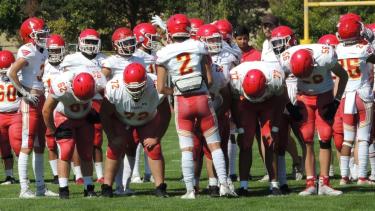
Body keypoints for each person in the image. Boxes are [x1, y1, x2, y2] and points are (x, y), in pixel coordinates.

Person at [156, 14, 237, 199]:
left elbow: (161, 87)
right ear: (187, 29)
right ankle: (223, 184)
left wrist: (176, 91)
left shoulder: (164, 52)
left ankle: (190, 190)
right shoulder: (199, 46)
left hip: (182, 101)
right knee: (215, 144)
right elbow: (209, 80)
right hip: (202, 98)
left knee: (187, 148)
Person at [275, 40, 348, 195]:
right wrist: (289, 105)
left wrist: (336, 101)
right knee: (306, 138)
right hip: (304, 96)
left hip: (324, 94)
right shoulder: (287, 59)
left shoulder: (324, 56)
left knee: (326, 136)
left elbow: (343, 75)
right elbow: (280, 83)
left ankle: (324, 183)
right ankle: (310, 183)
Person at [100, 63, 170, 198]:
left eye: (139, 87)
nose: (136, 91)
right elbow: (105, 114)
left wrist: (157, 137)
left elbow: (166, 114)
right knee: (114, 147)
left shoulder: (155, 85)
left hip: (148, 119)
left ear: (145, 82)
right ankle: (107, 186)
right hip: (121, 118)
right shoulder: (115, 87)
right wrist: (111, 136)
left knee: (154, 147)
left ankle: (160, 187)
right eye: (132, 88)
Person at [7, 17, 57, 198]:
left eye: (45, 32)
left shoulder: (43, 50)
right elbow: (11, 72)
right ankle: (24, 189)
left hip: (41, 98)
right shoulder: (26, 50)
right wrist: (24, 93)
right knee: (27, 145)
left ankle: (41, 188)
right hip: (30, 101)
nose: (45, 36)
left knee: (39, 146)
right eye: (40, 33)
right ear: (29, 36)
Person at [42, 71, 106, 199]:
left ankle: (89, 187)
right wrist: (52, 129)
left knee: (86, 152)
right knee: (66, 151)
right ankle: (63, 188)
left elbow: (108, 100)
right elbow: (46, 110)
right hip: (64, 117)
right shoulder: (61, 85)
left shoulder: (99, 81)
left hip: (85, 116)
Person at [230, 61, 286, 196]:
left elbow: (280, 102)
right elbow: (234, 102)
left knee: (269, 140)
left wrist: (276, 128)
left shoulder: (275, 78)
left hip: (269, 103)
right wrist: (239, 126)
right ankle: (243, 186)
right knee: (245, 142)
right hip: (246, 104)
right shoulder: (235, 79)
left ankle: (274, 184)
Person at [100, 27, 145, 195]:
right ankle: (116, 184)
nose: (129, 45)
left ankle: (126, 185)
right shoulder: (111, 61)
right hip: (118, 108)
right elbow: (101, 81)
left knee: (133, 145)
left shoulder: (140, 59)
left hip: (136, 106)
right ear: (116, 45)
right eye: (125, 43)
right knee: (117, 145)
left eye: (131, 41)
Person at [60, 28, 107, 184]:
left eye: (93, 42)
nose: (90, 45)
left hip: (99, 100)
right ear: (80, 42)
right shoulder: (71, 59)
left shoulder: (104, 59)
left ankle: (100, 174)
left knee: (97, 139)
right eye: (87, 41)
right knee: (75, 139)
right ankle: (79, 174)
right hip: (79, 102)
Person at [335, 18, 375, 185]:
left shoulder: (338, 49)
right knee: (364, 138)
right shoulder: (365, 48)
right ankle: (362, 177)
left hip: (346, 97)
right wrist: (370, 39)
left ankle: (344, 177)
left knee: (347, 139)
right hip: (363, 95)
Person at [42, 34, 66, 184]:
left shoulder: (68, 63)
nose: (55, 54)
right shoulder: (45, 64)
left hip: (65, 107)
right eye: (52, 51)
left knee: (67, 141)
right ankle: (56, 175)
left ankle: (77, 174)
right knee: (50, 142)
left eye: (58, 51)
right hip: (50, 108)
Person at [0, 50, 20, 185]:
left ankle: (23, 175)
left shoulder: (18, 74)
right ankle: (9, 176)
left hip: (15, 114)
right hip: (0, 115)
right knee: (4, 148)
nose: (4, 71)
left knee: (17, 145)